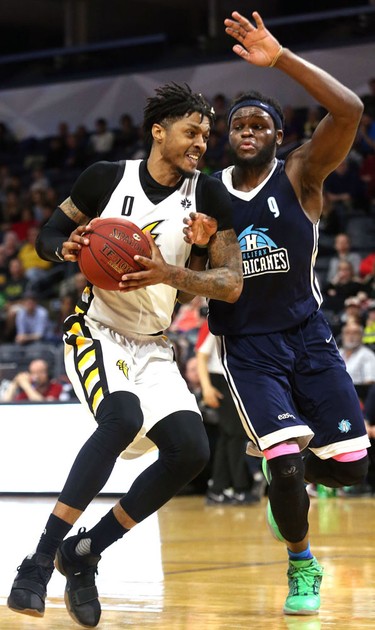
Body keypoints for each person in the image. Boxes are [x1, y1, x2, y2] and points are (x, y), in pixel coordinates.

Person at [7, 82, 243, 627]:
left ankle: (85, 553)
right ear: (159, 131)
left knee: (191, 450)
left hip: (155, 343)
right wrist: (61, 247)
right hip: (97, 330)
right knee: (122, 418)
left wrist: (192, 258)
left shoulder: (207, 197)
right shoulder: (106, 178)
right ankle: (39, 560)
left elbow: (229, 284)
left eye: (207, 134)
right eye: (192, 131)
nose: (202, 143)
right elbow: (50, 233)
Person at [208, 10, 370, 617]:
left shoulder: (301, 174)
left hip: (309, 335)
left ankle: (290, 487)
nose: (247, 130)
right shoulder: (208, 188)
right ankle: (302, 563)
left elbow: (350, 110)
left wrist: (280, 59)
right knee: (283, 462)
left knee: (352, 470)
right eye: (239, 124)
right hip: (248, 345)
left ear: (278, 135)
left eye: (260, 123)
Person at [196, 320, 262, 505]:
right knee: (236, 435)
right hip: (220, 380)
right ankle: (239, 488)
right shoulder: (214, 320)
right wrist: (206, 387)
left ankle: (218, 489)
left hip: (233, 380)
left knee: (228, 436)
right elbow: (201, 355)